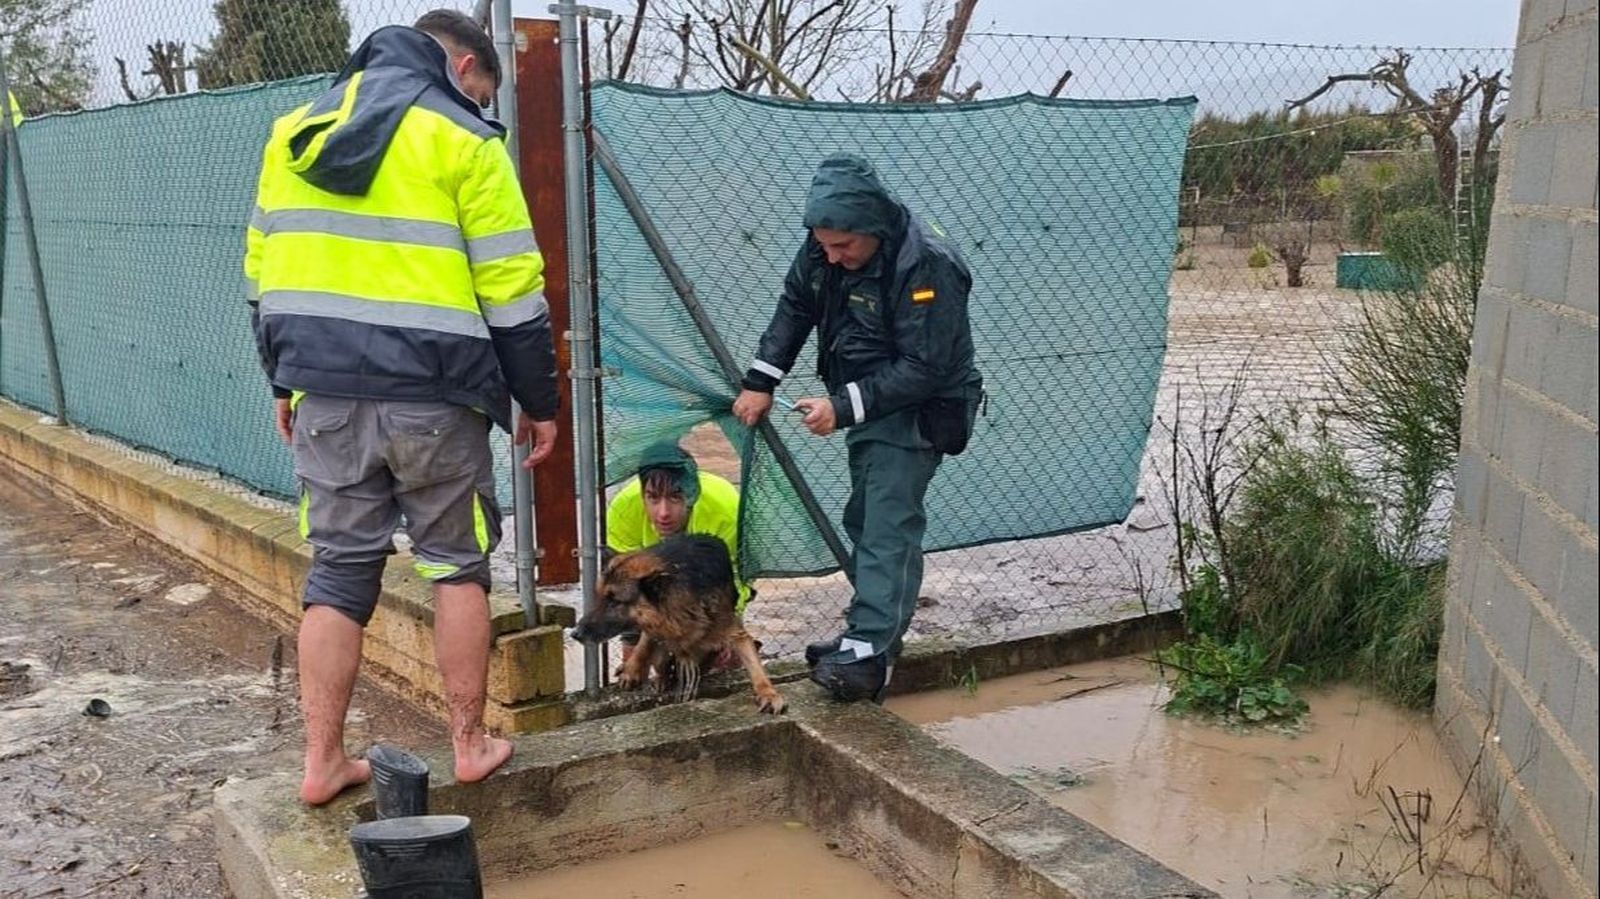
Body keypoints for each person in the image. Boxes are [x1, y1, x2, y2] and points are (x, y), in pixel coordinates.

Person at [244, 9, 560, 804]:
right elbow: (513, 290)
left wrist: (283, 381)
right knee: (457, 566)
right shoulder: (466, 141)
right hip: (436, 397)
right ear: (460, 69)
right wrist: (538, 400)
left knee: (340, 573)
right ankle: (469, 740)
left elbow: (263, 273)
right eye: (483, 90)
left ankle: (322, 761)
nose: (484, 106)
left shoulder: (291, 134)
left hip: (325, 395)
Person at [732, 153, 981, 703]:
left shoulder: (925, 265)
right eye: (824, 245)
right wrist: (760, 380)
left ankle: (869, 649)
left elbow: (926, 366)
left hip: (919, 410)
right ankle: (870, 637)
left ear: (871, 227)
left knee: (887, 525)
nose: (832, 256)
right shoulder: (825, 246)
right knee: (867, 520)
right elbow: (795, 307)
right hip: (871, 403)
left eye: (843, 247)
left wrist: (841, 408)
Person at [605, 441, 752, 668]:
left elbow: (736, 577)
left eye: (675, 498)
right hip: (645, 589)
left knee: (721, 654)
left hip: (706, 585)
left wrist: (722, 626)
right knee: (635, 661)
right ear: (643, 495)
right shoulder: (623, 509)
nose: (663, 513)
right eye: (653, 498)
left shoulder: (726, 508)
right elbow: (623, 585)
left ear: (691, 495)